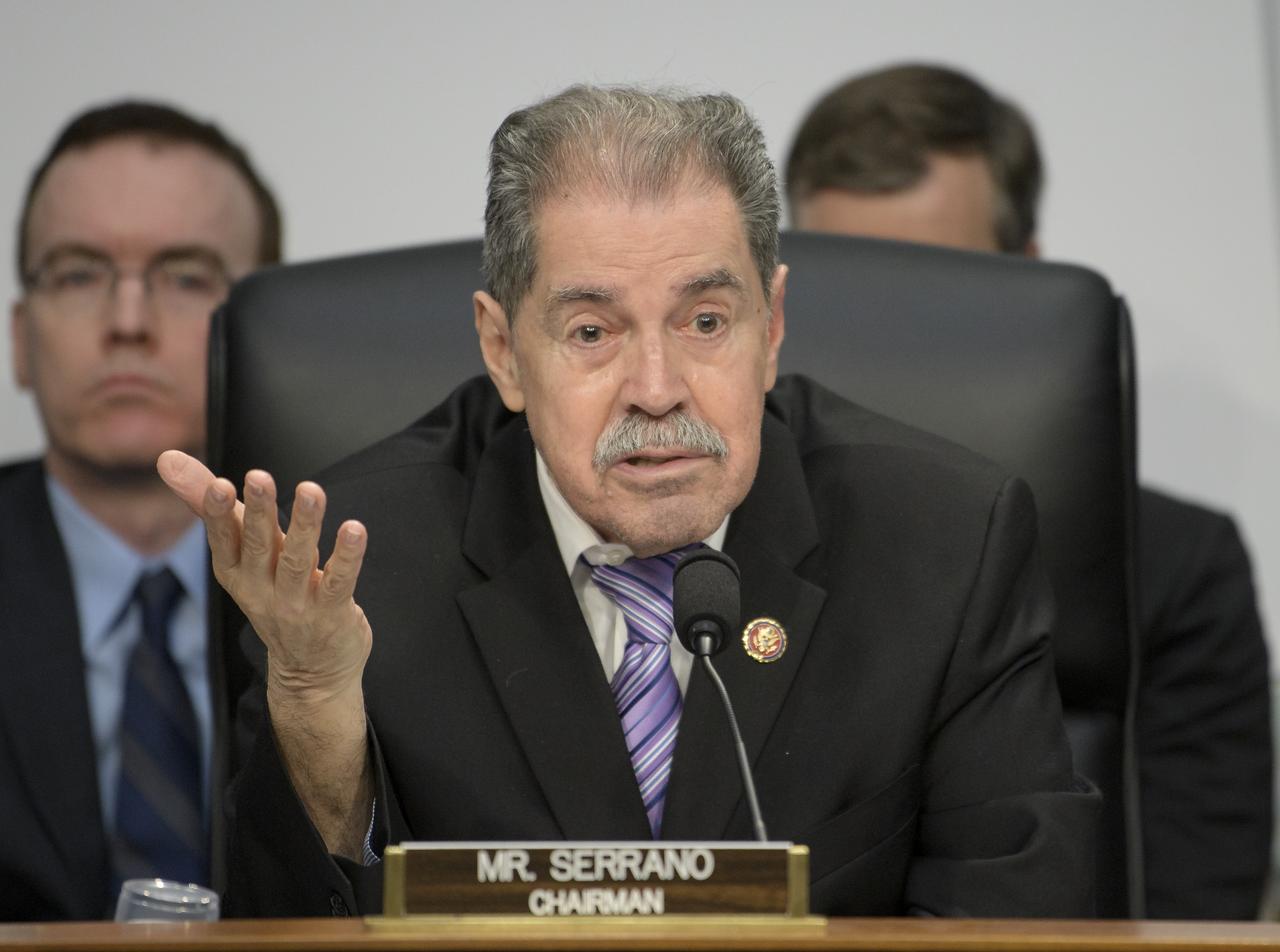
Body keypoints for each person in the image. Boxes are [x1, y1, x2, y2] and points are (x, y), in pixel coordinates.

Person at [160, 84, 1097, 918]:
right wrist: (318, 709)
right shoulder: (356, 567)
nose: (657, 387)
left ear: (770, 328)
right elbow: (277, 928)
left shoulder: (942, 544)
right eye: (592, 330)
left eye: (704, 322)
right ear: (502, 350)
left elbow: (1018, 925)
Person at [785, 63, 1273, 920]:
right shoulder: (714, 554)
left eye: (935, 294)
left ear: (1029, 288)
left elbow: (1193, 912)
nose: (887, 350)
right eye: (849, 300)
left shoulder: (1173, 569)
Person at [1, 101, 280, 920]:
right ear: (21, 337)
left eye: (186, 276)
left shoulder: (364, 576)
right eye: (80, 273)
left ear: (267, 329)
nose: (127, 324)